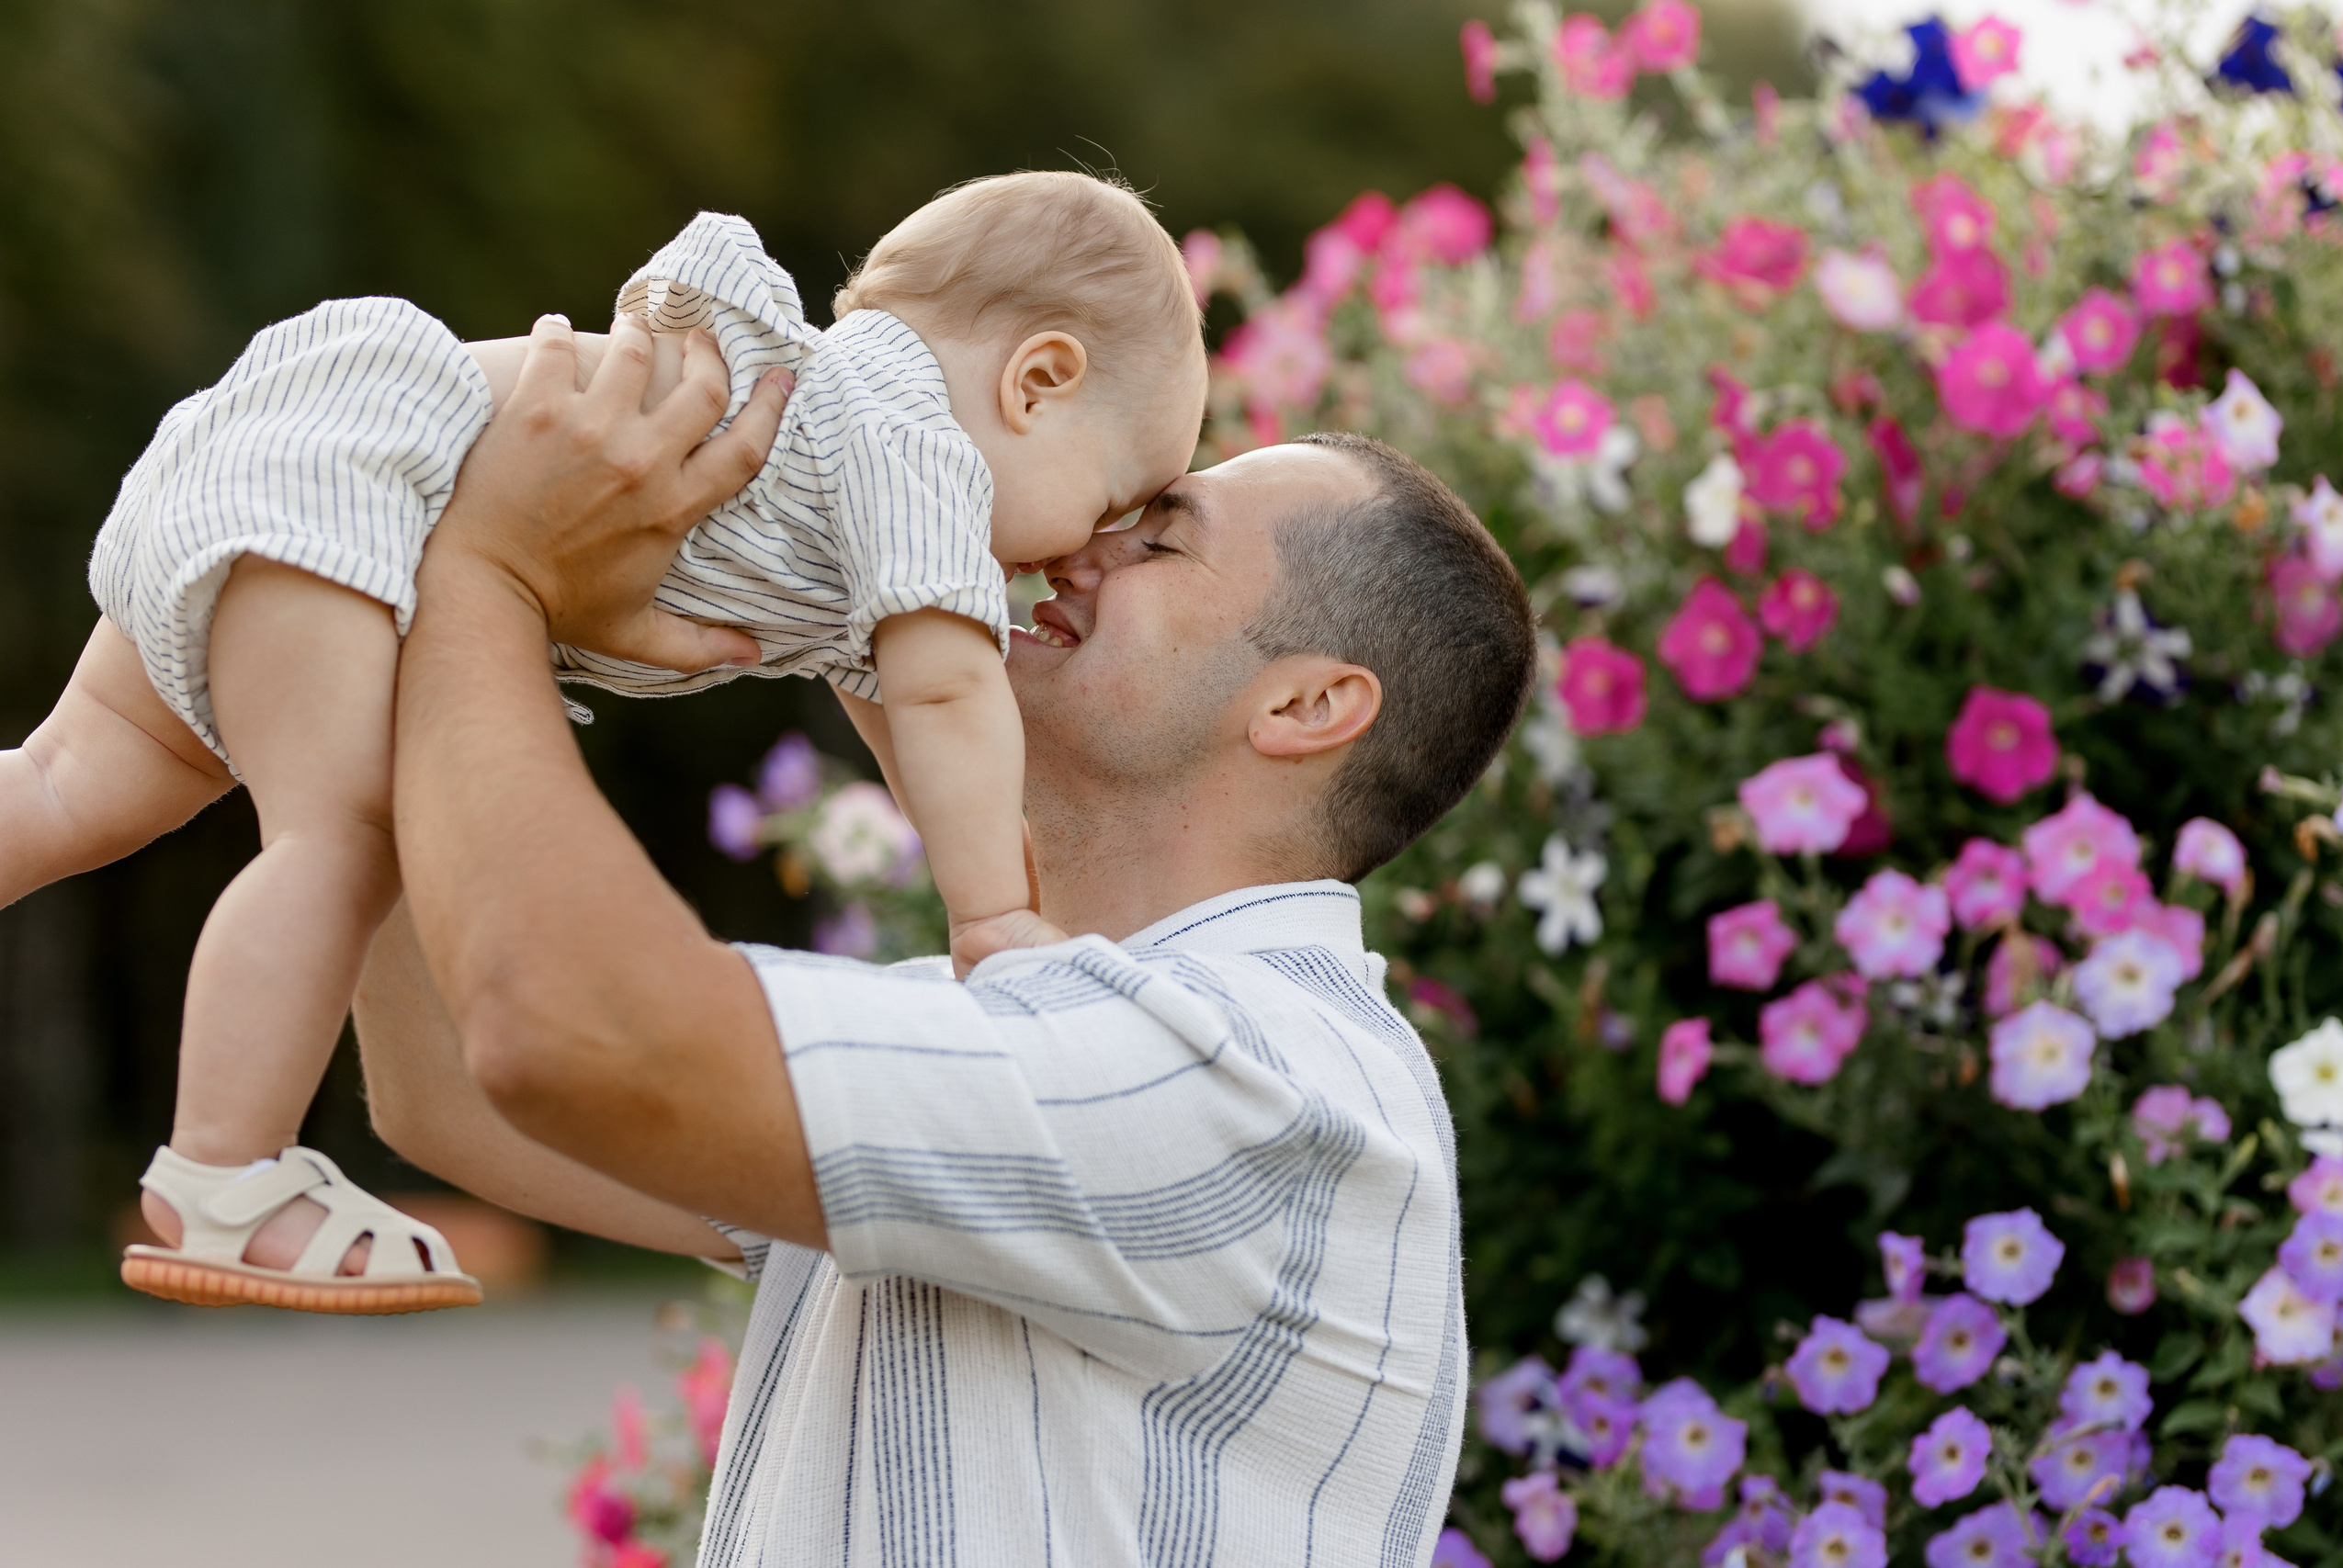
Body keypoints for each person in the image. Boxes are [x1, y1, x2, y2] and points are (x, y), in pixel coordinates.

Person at [354, 310, 1535, 1563]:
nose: (1079, 543)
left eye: (1158, 538)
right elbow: (445, 1094)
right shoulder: (1047, 1034)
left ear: (1304, 704)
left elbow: (563, 1032)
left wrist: (482, 571)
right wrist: (388, 608)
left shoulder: (1255, 1079)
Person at [0, 173, 1205, 1313]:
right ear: (1038, 382)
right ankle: (222, 1172)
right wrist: (994, 919)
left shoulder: (847, 472)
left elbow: (914, 730)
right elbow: (948, 701)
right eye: (1108, 503)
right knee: (346, 829)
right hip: (367, 482)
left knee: (71, 782)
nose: (1076, 558)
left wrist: (1011, 863)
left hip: (308, 430)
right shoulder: (918, 446)